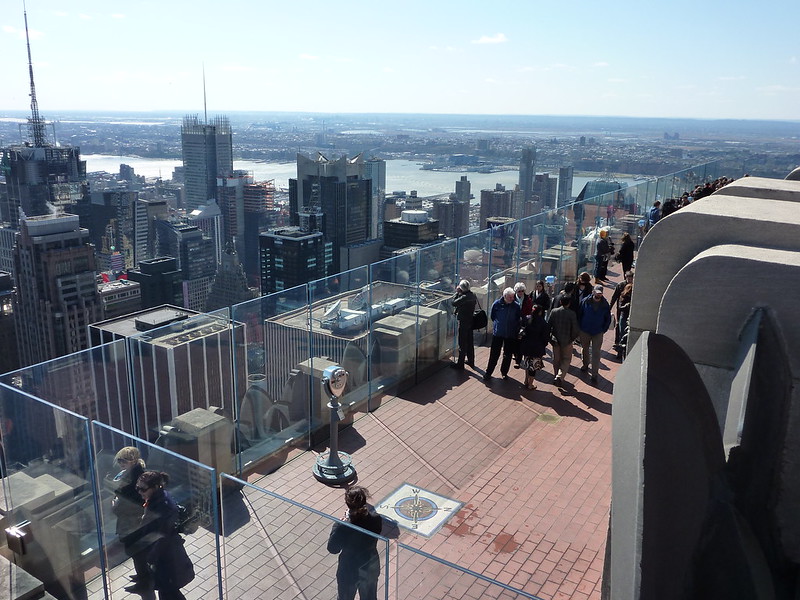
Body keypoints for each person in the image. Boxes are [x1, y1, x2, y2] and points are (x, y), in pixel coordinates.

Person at [125, 471, 194, 600]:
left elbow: (163, 537)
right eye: (137, 488)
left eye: (143, 489)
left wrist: (151, 558)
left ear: (156, 487)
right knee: (168, 592)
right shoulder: (155, 499)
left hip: (167, 558)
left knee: (168, 592)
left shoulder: (164, 506)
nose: (139, 491)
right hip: (163, 556)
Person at [327, 486, 383, 600]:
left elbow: (333, 549)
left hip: (349, 569)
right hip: (369, 566)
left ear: (347, 503)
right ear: (364, 501)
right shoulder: (376, 519)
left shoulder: (342, 526)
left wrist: (340, 524)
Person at [110, 447, 147, 586]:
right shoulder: (131, 474)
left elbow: (132, 503)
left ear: (133, 461)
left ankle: (144, 580)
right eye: (119, 460)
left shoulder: (135, 479)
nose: (120, 463)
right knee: (136, 552)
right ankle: (143, 575)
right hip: (131, 519)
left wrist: (116, 505)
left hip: (133, 521)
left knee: (135, 551)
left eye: (123, 460)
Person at [484, 287, 521, 381]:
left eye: (513, 297)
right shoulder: (496, 304)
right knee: (494, 354)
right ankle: (488, 372)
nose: (512, 299)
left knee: (507, 355)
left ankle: (504, 372)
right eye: (510, 297)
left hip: (510, 334)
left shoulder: (516, 306)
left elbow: (518, 318)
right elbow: (492, 316)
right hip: (498, 333)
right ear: (504, 296)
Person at [578, 285, 612, 385]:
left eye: (600, 293)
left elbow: (608, 319)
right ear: (593, 292)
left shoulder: (605, 305)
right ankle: (585, 364)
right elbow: (580, 314)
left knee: (596, 353)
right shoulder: (585, 301)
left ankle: (594, 375)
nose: (598, 295)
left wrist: (603, 330)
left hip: (598, 332)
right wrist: (580, 327)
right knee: (585, 349)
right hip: (585, 330)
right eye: (597, 292)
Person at [547, 294, 580, 387]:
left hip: (555, 340)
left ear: (560, 302)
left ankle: (556, 375)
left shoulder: (554, 312)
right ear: (569, 303)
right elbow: (575, 329)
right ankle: (560, 376)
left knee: (556, 359)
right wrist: (572, 339)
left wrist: (549, 338)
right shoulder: (572, 314)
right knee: (566, 359)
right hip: (567, 341)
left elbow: (549, 325)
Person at [518, 305, 551, 390]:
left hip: (526, 345)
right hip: (537, 347)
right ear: (540, 312)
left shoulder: (526, 319)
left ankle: (526, 380)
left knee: (527, 363)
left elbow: (521, 330)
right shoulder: (543, 323)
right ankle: (530, 384)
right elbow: (545, 337)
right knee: (533, 366)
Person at [450, 280, 477, 370]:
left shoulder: (464, 297)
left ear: (461, 288)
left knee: (462, 343)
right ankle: (471, 360)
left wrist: (457, 293)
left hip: (463, 322)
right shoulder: (473, 295)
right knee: (470, 342)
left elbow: (453, 303)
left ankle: (460, 364)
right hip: (471, 321)